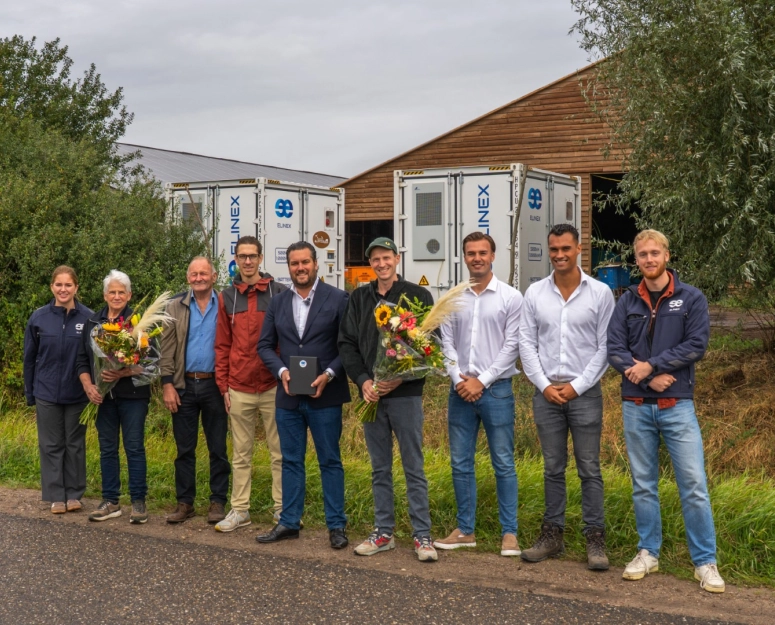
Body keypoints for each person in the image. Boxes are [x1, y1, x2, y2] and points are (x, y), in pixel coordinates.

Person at [607, 229, 724, 593]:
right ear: (636, 259)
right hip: (637, 405)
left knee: (694, 485)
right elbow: (614, 349)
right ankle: (648, 552)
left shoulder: (691, 299)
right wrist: (647, 378)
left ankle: (705, 562)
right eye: (642, 255)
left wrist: (652, 366)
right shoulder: (626, 302)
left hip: (678, 406)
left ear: (667, 256)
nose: (648, 259)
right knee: (643, 485)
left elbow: (696, 345)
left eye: (654, 253)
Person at [518, 224, 615, 570]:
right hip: (546, 394)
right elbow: (526, 344)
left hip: (585, 393)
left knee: (589, 468)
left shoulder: (601, 293)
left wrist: (578, 386)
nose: (559, 255)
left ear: (579, 249)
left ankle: (595, 539)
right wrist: (544, 385)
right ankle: (552, 535)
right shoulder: (535, 293)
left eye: (566, 249)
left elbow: (606, 347)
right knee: (552, 467)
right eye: (554, 249)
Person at [338, 236, 438, 562]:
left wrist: (399, 378)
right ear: (371, 264)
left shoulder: (418, 296)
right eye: (375, 260)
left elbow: (429, 349)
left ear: (397, 258)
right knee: (379, 468)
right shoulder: (359, 299)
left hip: (406, 395)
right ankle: (383, 533)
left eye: (386, 257)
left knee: (413, 466)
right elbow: (347, 344)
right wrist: (364, 380)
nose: (381, 264)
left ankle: (422, 537)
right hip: (371, 396)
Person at [256, 242, 350, 549]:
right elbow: (265, 346)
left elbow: (348, 347)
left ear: (316, 264)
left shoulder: (338, 299)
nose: (300, 268)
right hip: (288, 397)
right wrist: (282, 372)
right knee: (291, 461)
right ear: (289, 267)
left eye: (305, 262)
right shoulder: (278, 302)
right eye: (295, 263)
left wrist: (330, 373)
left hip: (326, 395)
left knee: (330, 461)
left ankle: (336, 526)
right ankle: (288, 522)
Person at [435, 232, 522, 557]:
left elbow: (511, 345)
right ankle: (465, 530)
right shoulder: (452, 297)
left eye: (482, 252)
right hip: (459, 391)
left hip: (496, 390)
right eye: (470, 253)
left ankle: (509, 534)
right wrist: (459, 378)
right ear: (464, 257)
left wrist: (481, 381)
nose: (476, 258)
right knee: (460, 463)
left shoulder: (511, 297)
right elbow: (445, 343)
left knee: (503, 463)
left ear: (492, 255)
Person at [214, 236, 286, 532]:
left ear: (260, 258)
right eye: (242, 256)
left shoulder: (278, 292)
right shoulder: (227, 297)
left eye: (252, 256)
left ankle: (283, 510)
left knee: (280, 452)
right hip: (239, 386)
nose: (247, 261)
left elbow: (288, 338)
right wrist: (223, 386)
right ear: (236, 258)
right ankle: (240, 510)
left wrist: (285, 377)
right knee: (241, 453)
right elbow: (222, 345)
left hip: (272, 386)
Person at [160, 256, 230, 525]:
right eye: (194, 274)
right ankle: (185, 503)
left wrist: (228, 386)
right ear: (188, 277)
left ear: (213, 277)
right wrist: (167, 384)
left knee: (218, 448)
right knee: (184, 448)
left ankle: (217, 501)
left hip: (215, 384)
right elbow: (165, 350)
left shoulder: (225, 304)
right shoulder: (174, 306)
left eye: (204, 273)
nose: (198, 278)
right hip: (183, 385)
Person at [77, 270, 151, 524]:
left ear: (129, 295)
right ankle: (111, 501)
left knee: (134, 448)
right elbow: (81, 360)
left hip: (133, 396)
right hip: (102, 398)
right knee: (107, 449)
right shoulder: (92, 322)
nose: (117, 296)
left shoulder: (138, 323)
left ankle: (138, 502)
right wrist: (89, 386)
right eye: (112, 292)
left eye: (121, 292)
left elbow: (153, 363)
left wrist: (124, 372)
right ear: (105, 295)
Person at [23, 266, 93, 514]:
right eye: (59, 285)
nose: (63, 289)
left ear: (76, 287)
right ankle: (55, 495)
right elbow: (29, 358)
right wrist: (30, 391)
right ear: (52, 286)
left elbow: (95, 359)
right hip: (46, 392)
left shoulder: (88, 318)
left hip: (77, 393)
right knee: (51, 444)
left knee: (74, 444)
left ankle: (74, 494)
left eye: (68, 285)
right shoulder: (39, 318)